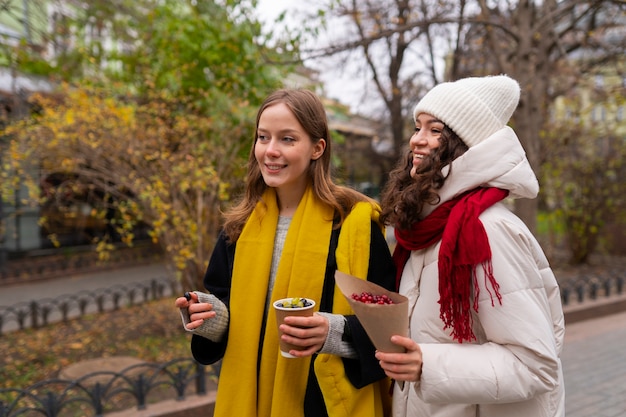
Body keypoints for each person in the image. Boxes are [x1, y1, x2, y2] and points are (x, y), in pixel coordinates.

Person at [175, 88, 396, 417]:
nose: (270, 151)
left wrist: (332, 331)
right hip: (251, 401)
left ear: (317, 148)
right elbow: (230, 312)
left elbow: (389, 324)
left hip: (324, 403)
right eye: (263, 137)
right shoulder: (239, 227)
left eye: (288, 139)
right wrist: (208, 316)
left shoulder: (355, 224)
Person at [375, 75, 565, 416]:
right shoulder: (429, 226)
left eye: (435, 130)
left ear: (464, 143)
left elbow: (536, 364)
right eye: (418, 127)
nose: (416, 140)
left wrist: (427, 366)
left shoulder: (487, 230)